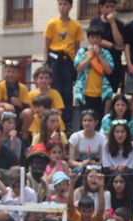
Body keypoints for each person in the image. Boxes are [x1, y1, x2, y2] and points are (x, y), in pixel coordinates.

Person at [44, 0, 83, 129]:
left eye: (65, 4)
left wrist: (76, 64)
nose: (62, 7)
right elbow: (46, 44)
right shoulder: (52, 23)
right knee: (55, 90)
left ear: (70, 6)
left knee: (67, 91)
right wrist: (46, 62)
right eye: (60, 4)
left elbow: (77, 47)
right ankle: (54, 121)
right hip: (55, 59)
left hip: (68, 60)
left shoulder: (76, 26)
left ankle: (67, 123)